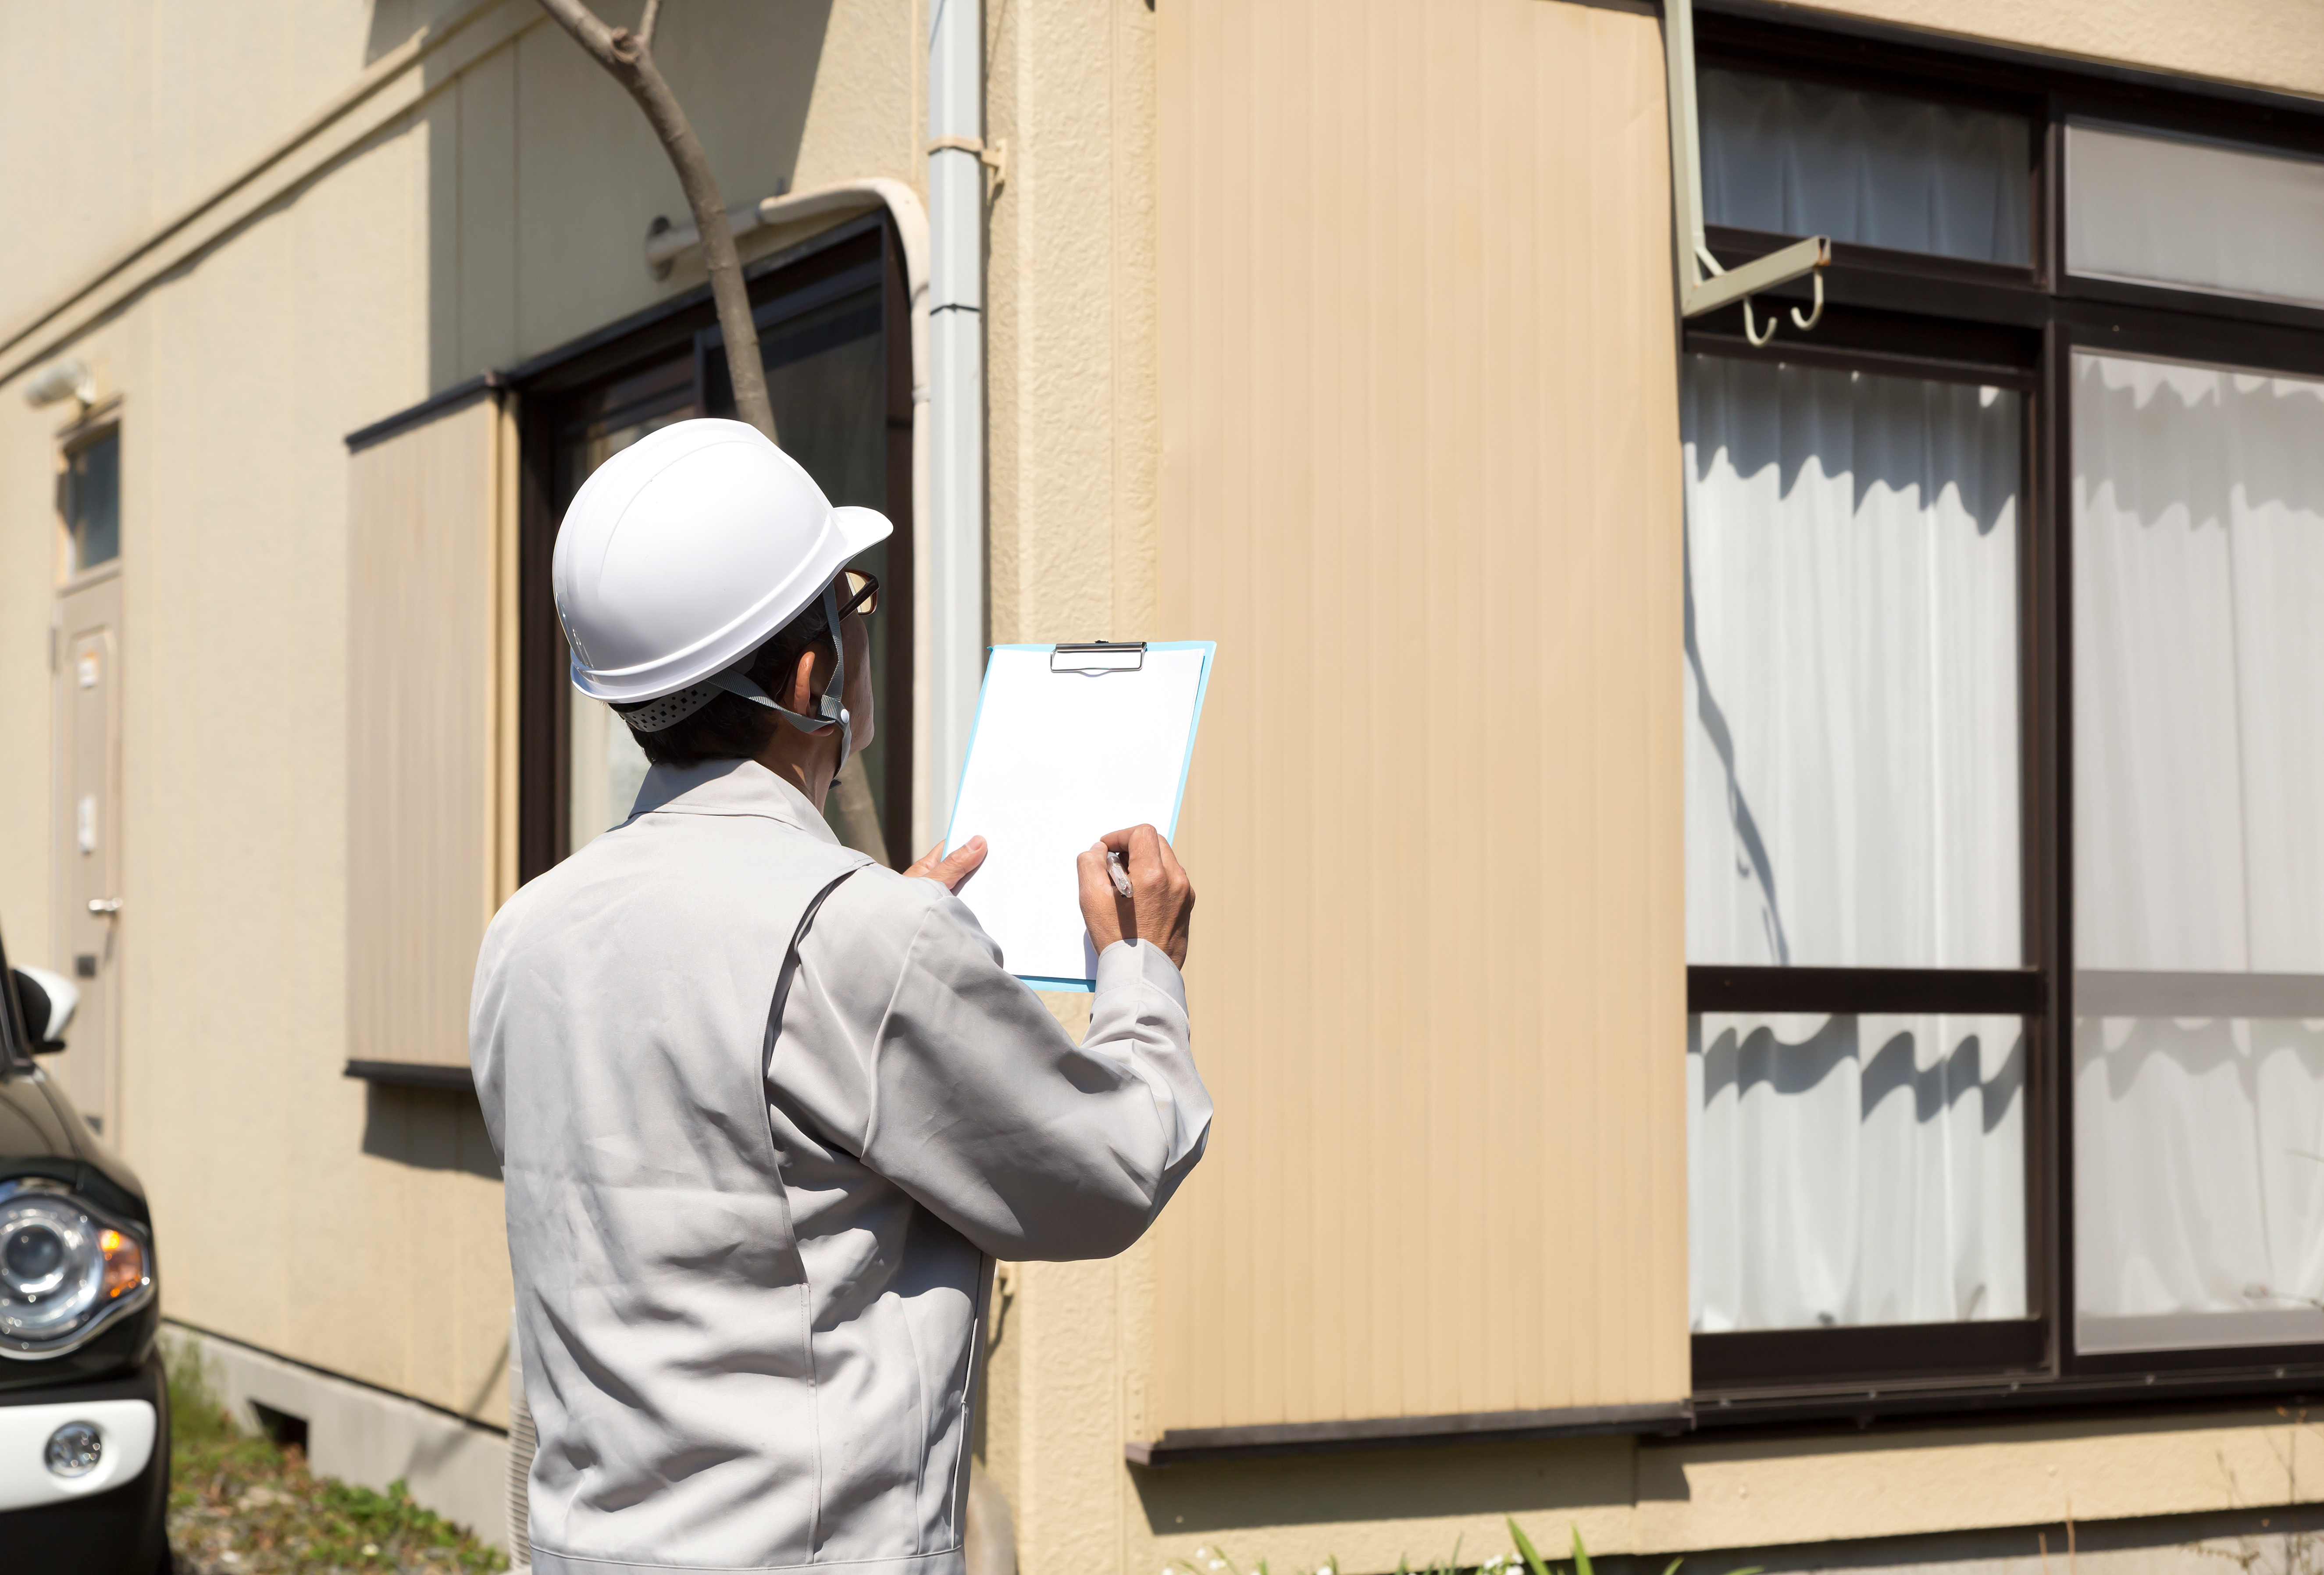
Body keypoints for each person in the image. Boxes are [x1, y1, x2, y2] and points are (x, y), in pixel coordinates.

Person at [471, 419, 1209, 1575]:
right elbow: (1108, 1173)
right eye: (846, 614)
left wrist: (880, 939)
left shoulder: (528, 933)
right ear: (815, 673)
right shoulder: (857, 939)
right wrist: (1142, 968)